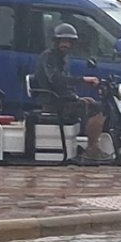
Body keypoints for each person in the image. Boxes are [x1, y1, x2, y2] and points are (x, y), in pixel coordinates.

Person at [35, 23, 108, 160]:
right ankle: (92, 149)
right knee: (98, 110)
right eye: (62, 41)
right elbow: (56, 80)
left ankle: (90, 145)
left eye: (68, 42)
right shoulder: (49, 57)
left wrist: (76, 97)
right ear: (56, 42)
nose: (65, 45)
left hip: (61, 99)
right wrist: (83, 80)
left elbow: (64, 86)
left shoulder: (62, 58)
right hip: (53, 101)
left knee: (90, 101)